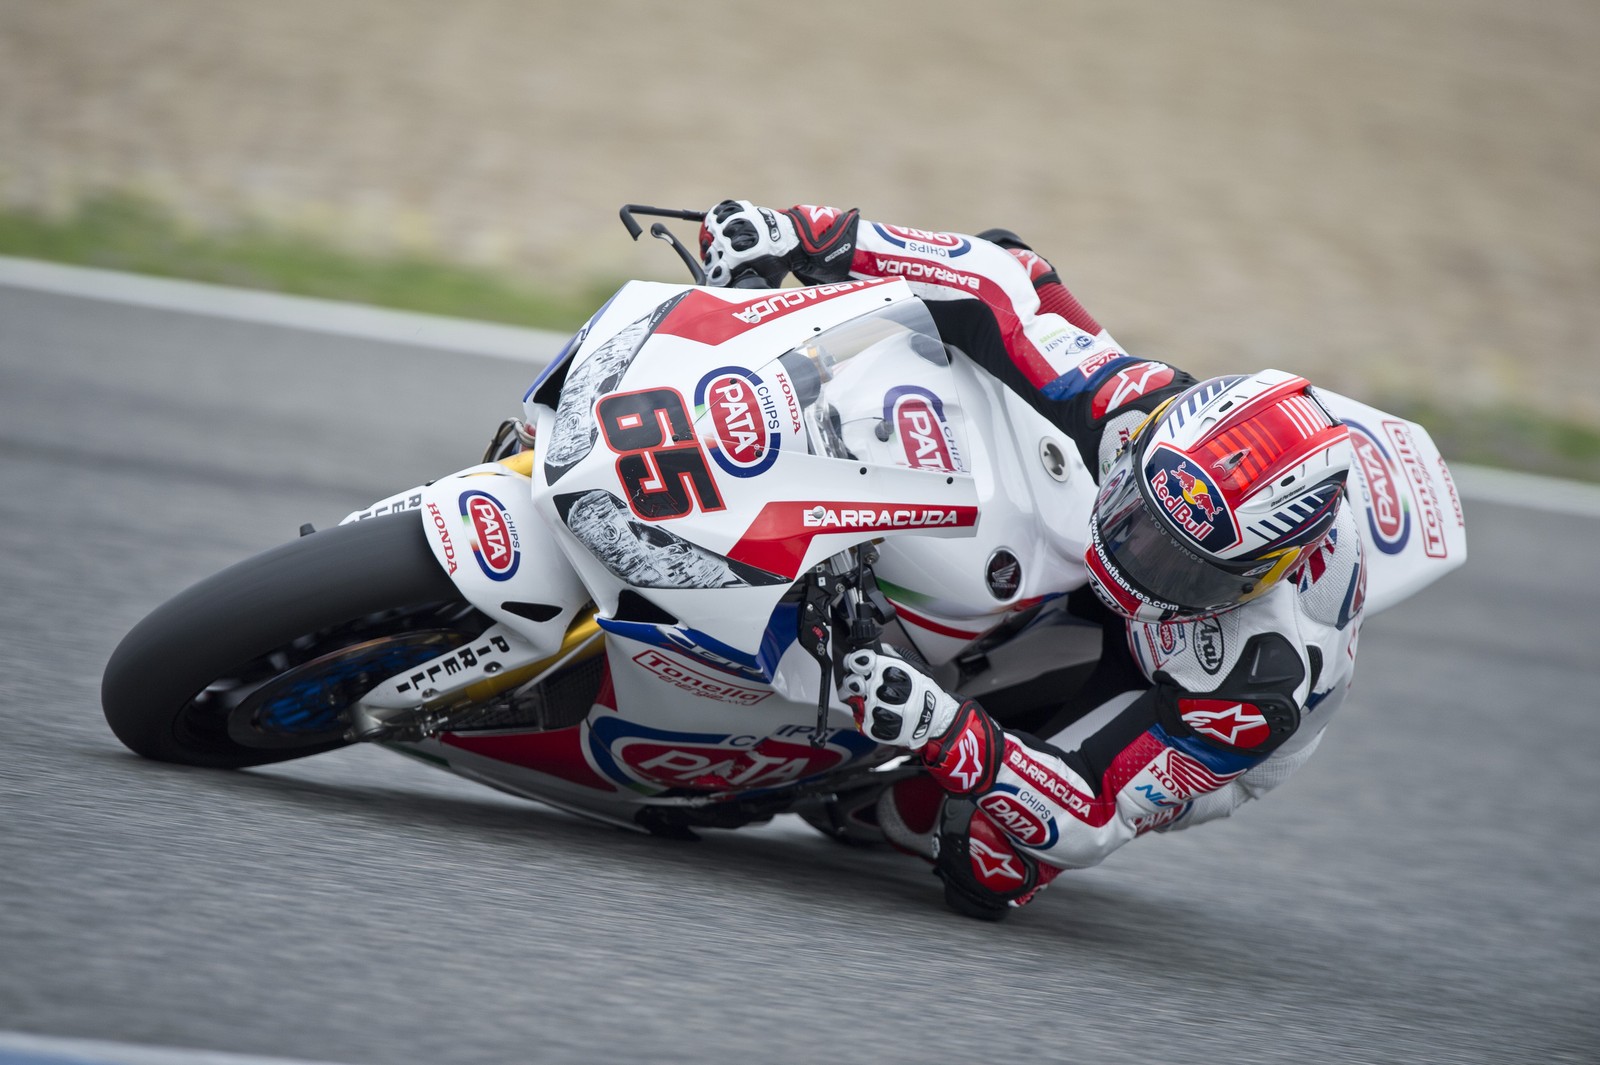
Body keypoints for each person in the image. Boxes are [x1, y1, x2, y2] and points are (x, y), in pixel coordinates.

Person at [699, 201, 1364, 920]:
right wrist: (811, 235)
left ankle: (861, 794)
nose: (1130, 554)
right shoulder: (1136, 410)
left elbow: (1097, 811)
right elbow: (1007, 279)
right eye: (1136, 514)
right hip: (1142, 561)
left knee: (983, 854)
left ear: (1255, 577)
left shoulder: (1252, 689)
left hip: (1170, 689)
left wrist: (945, 729)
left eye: (1179, 562)